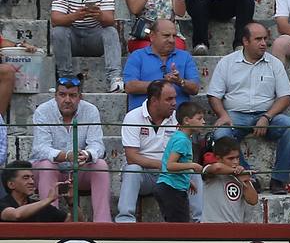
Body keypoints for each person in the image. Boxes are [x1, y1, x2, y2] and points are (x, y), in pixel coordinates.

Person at [208, 22, 290, 192]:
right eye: (258, 39)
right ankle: (248, 176)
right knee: (221, 133)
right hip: (235, 115)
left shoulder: (274, 64)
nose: (263, 43)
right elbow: (214, 95)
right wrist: (222, 115)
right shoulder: (227, 63)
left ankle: (279, 179)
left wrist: (266, 117)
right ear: (245, 41)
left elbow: (285, 97)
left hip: (267, 114)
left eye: (265, 39)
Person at [31, 75, 111, 222]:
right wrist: (66, 155)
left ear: (80, 97)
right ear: (55, 96)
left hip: (77, 171)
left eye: (72, 95)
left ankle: (103, 223)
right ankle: (49, 221)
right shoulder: (43, 111)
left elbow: (97, 145)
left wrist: (86, 154)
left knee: (100, 164)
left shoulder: (91, 110)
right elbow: (40, 148)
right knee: (47, 164)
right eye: (62, 95)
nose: (67, 100)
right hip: (48, 172)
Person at [50, 0, 123, 92]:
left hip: (95, 39)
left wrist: (99, 16)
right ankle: (65, 79)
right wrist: (75, 16)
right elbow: (55, 19)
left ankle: (115, 78)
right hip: (73, 40)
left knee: (111, 31)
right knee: (59, 31)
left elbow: (110, 20)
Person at [117, 78, 182, 222]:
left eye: (175, 98)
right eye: (169, 99)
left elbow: (181, 155)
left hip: (169, 175)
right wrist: (164, 164)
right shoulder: (133, 117)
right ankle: (124, 221)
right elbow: (132, 157)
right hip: (144, 175)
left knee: (193, 171)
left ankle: (200, 223)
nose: (174, 103)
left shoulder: (177, 118)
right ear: (154, 101)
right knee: (132, 169)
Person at [124, 19, 200, 108]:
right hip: (143, 118)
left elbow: (195, 88)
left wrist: (180, 81)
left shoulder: (185, 57)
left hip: (176, 118)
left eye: (174, 36)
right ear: (152, 36)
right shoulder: (137, 56)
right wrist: (160, 84)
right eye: (166, 36)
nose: (171, 40)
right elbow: (130, 87)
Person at [154, 100, 205, 223]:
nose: (203, 122)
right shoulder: (182, 141)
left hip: (173, 186)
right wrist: (192, 166)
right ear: (187, 120)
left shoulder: (181, 137)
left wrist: (187, 179)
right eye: (199, 118)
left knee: (179, 225)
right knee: (179, 228)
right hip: (171, 189)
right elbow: (170, 165)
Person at [198, 136, 260, 224]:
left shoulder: (240, 174)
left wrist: (246, 181)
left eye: (237, 158)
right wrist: (234, 172)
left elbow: (253, 200)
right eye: (230, 158)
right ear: (218, 158)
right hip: (211, 226)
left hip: (235, 227)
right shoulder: (209, 171)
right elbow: (217, 168)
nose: (235, 162)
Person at [0, 160, 66, 222]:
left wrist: (71, 203)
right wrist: (48, 199)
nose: (32, 182)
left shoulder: (41, 206)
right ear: (11, 184)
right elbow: (17, 215)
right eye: (26, 178)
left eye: (32, 178)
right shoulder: (2, 204)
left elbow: (68, 221)